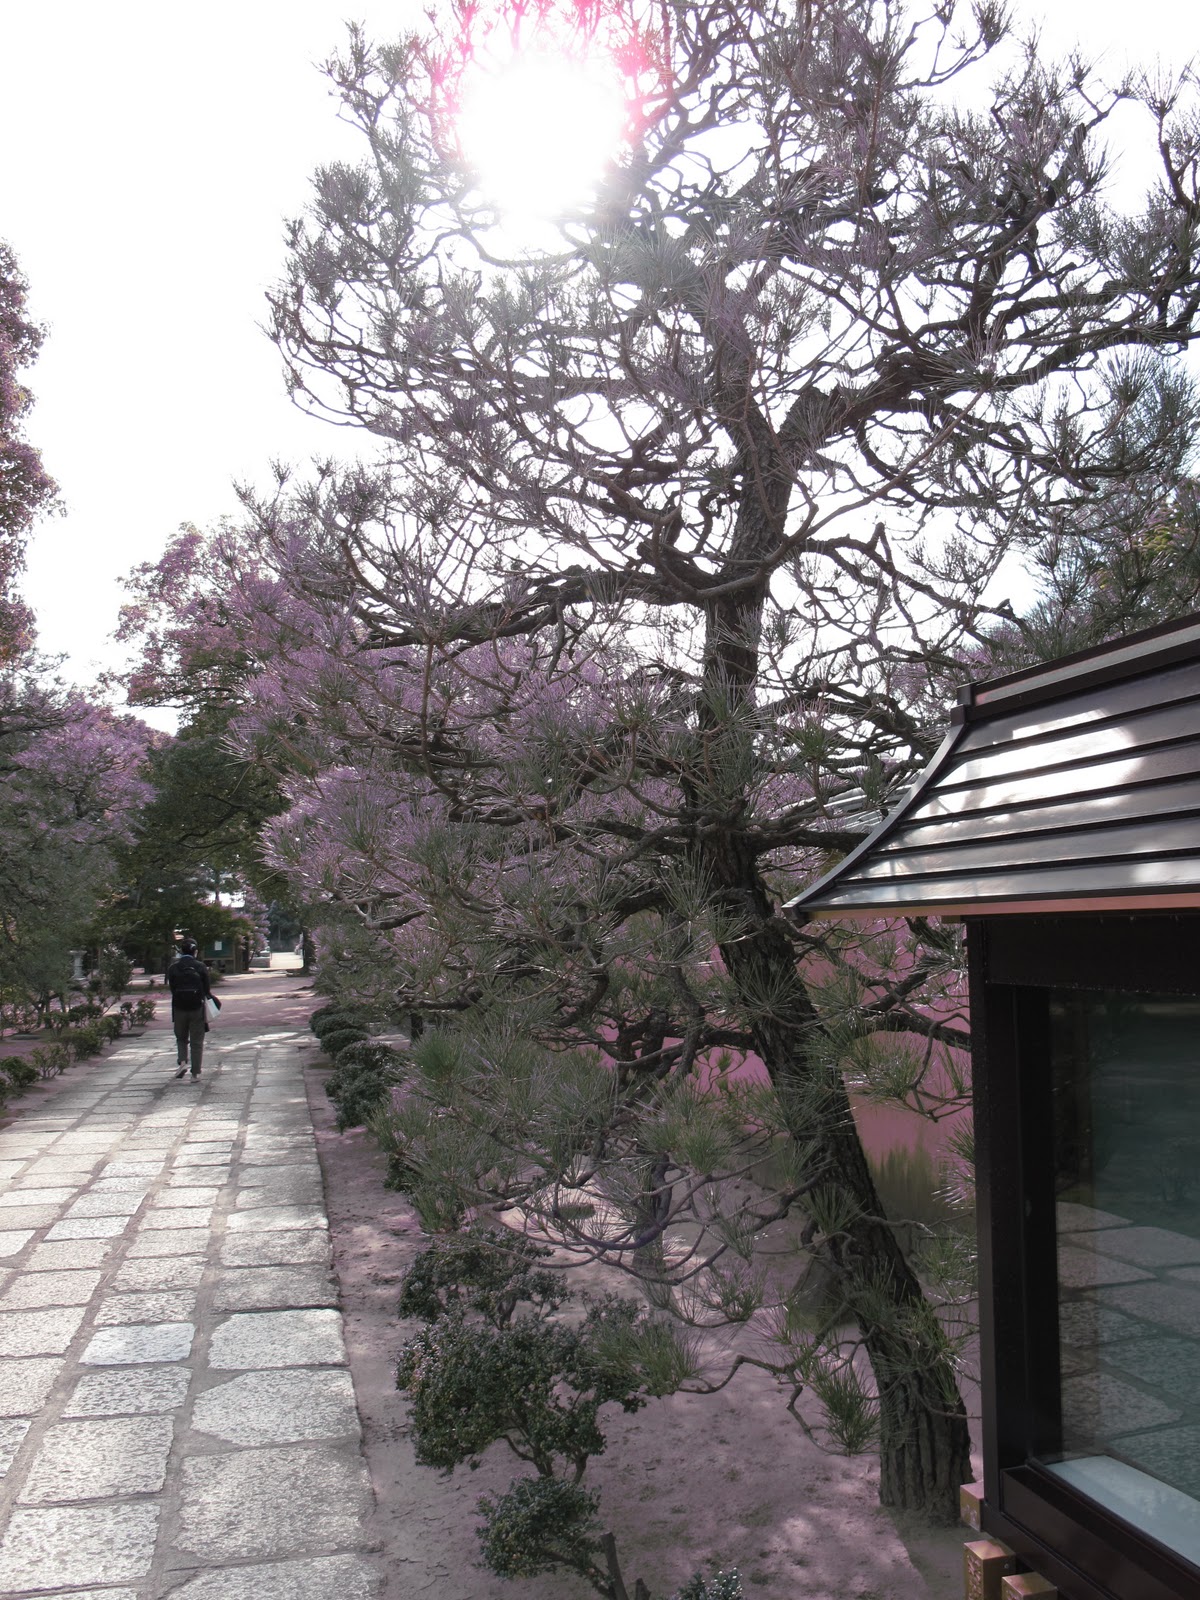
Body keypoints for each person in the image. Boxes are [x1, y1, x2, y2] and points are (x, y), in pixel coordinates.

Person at [165, 939, 217, 1078]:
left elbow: (172, 989)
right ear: (196, 951)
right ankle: (195, 1074)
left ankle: (182, 1062)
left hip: (179, 1007)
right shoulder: (200, 967)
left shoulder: (173, 968)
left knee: (181, 1038)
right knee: (196, 1041)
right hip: (197, 1007)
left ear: (181, 951)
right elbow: (206, 989)